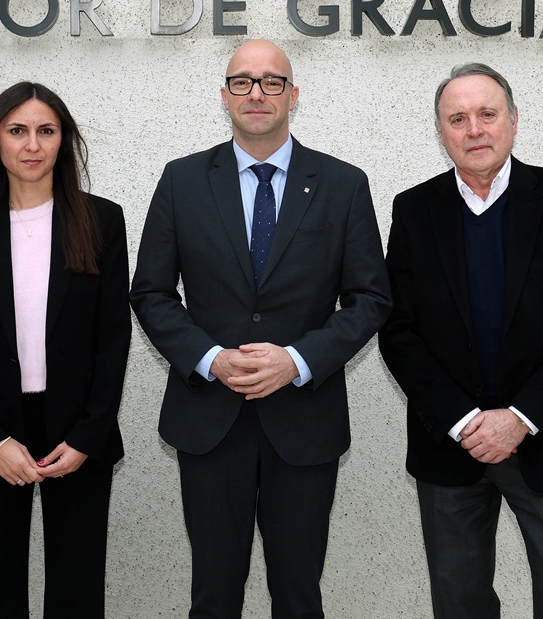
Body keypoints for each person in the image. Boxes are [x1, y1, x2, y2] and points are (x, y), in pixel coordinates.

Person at [130, 39, 392, 619]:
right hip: (209, 419)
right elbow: (150, 292)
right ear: (224, 96)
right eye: (243, 81)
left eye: (272, 82)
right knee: (214, 593)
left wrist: (296, 361)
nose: (257, 93)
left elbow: (371, 298)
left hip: (304, 423)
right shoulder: (182, 180)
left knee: (298, 593)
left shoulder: (343, 184)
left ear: (293, 96)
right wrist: (210, 358)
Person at [379, 62, 543, 619]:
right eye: (457, 119)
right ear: (441, 133)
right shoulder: (413, 209)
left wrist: (520, 418)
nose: (474, 129)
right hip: (451, 444)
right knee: (459, 603)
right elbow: (397, 328)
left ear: (513, 120)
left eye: (487, 114)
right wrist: (464, 421)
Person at [0, 82, 131, 618]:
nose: (32, 145)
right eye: (17, 131)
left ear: (63, 141)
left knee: (77, 590)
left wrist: (89, 434)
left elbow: (114, 339)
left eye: (47, 131)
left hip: (78, 434)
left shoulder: (102, 220)